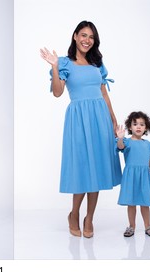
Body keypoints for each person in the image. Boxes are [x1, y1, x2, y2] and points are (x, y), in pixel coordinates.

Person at [40, 21, 122, 238]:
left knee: (97, 169)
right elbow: (57, 93)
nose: (87, 40)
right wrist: (55, 66)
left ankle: (89, 218)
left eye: (91, 37)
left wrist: (113, 119)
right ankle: (74, 214)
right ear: (75, 36)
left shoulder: (97, 63)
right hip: (78, 120)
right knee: (82, 168)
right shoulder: (65, 63)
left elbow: (104, 93)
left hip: (100, 119)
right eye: (83, 35)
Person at [115, 111, 150, 237]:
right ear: (130, 127)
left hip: (145, 176)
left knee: (145, 203)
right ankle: (131, 226)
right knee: (131, 203)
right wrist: (121, 138)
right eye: (135, 124)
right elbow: (120, 147)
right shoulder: (127, 142)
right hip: (131, 176)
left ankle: (147, 226)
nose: (138, 127)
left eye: (142, 124)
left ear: (146, 128)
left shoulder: (149, 145)